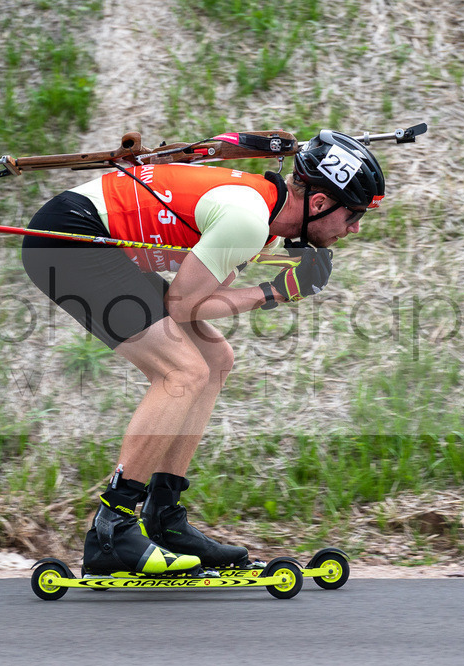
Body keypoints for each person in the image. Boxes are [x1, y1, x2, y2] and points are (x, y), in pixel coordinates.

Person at [20, 130, 385, 575]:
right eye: (354, 213)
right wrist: (275, 292)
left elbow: (204, 291)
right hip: (70, 239)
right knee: (182, 372)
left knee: (214, 360)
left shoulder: (264, 220)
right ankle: (113, 528)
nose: (355, 227)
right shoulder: (250, 220)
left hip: (96, 240)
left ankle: (164, 518)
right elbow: (184, 304)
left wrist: (276, 279)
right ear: (321, 202)